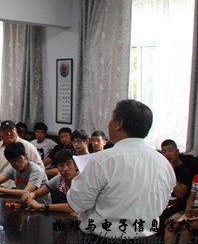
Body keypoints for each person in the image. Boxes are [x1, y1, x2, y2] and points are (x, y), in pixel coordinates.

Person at [67, 99, 176, 243]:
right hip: (148, 238)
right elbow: (162, 204)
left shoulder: (103, 160)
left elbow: (77, 203)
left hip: (101, 239)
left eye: (111, 119)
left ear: (119, 123)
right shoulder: (163, 163)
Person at [0, 120, 43, 188]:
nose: (9, 133)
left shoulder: (28, 147)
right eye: (5, 131)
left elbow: (40, 169)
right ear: (0, 133)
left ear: (16, 131)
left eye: (11, 130)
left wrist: (30, 186)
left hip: (23, 189)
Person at [161, 139, 194, 206]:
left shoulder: (185, 171)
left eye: (170, 151)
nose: (167, 154)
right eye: (164, 152)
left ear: (177, 152)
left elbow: (180, 194)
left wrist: (171, 171)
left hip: (176, 204)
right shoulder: (161, 167)